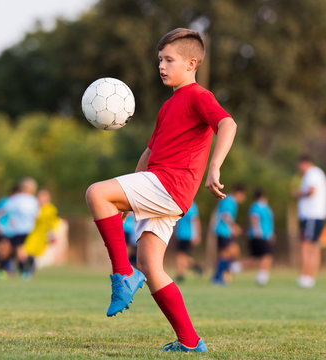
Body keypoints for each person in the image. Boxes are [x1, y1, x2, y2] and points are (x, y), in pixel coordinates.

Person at [84, 28, 236, 353]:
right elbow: (149, 153)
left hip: (170, 184)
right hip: (163, 188)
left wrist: (215, 166)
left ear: (191, 63)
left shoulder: (198, 96)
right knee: (151, 267)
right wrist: (124, 199)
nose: (162, 66)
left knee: (96, 193)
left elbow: (228, 124)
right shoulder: (169, 106)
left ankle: (122, 273)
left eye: (169, 60)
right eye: (160, 60)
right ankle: (190, 342)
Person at [293, 155, 326, 289]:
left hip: (311, 215)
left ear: (304, 163)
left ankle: (306, 276)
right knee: (313, 245)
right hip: (316, 215)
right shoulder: (317, 173)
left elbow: (311, 191)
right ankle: (310, 277)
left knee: (307, 246)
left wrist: (298, 194)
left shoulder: (312, 174)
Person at [0, 177, 40, 280]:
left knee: (18, 250)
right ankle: (20, 270)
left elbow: (4, 211)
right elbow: (36, 216)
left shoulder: (15, 199)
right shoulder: (33, 201)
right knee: (16, 250)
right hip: (27, 229)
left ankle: (25, 271)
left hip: (16, 230)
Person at [211, 184, 246, 286]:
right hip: (223, 231)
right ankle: (219, 277)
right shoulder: (230, 201)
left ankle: (221, 275)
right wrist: (234, 227)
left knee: (231, 252)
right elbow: (226, 216)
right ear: (239, 193)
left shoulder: (229, 200)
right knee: (228, 253)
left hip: (224, 231)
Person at [24, 189, 59, 270]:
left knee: (32, 253)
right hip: (30, 233)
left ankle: (28, 270)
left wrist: (52, 235)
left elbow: (52, 224)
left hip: (41, 235)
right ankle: (26, 270)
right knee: (25, 252)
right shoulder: (34, 206)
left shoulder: (51, 209)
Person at [246, 188, 275, 286]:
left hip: (265, 235)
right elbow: (254, 220)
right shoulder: (257, 207)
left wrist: (271, 233)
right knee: (266, 256)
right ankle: (261, 278)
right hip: (260, 236)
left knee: (255, 259)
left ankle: (233, 267)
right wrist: (258, 233)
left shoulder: (264, 207)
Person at [174, 201, 203, 283]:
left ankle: (181, 275)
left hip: (188, 235)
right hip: (180, 234)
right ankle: (183, 274)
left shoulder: (191, 205)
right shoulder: (180, 202)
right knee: (181, 256)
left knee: (180, 256)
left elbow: (195, 221)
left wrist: (197, 235)